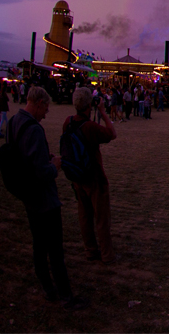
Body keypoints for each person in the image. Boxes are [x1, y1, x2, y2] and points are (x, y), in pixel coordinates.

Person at [8, 86, 89, 310]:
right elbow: (41, 172)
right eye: (46, 107)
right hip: (44, 199)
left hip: (28, 195)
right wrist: (54, 166)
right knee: (54, 249)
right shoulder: (34, 129)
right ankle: (65, 296)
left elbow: (22, 159)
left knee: (38, 245)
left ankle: (48, 288)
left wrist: (45, 159)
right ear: (39, 103)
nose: (46, 113)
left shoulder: (14, 121)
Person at [65, 87, 118, 264]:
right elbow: (112, 134)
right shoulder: (90, 127)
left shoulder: (68, 122)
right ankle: (106, 254)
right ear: (89, 105)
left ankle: (90, 249)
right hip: (93, 176)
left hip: (76, 175)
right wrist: (103, 112)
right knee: (101, 218)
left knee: (85, 215)